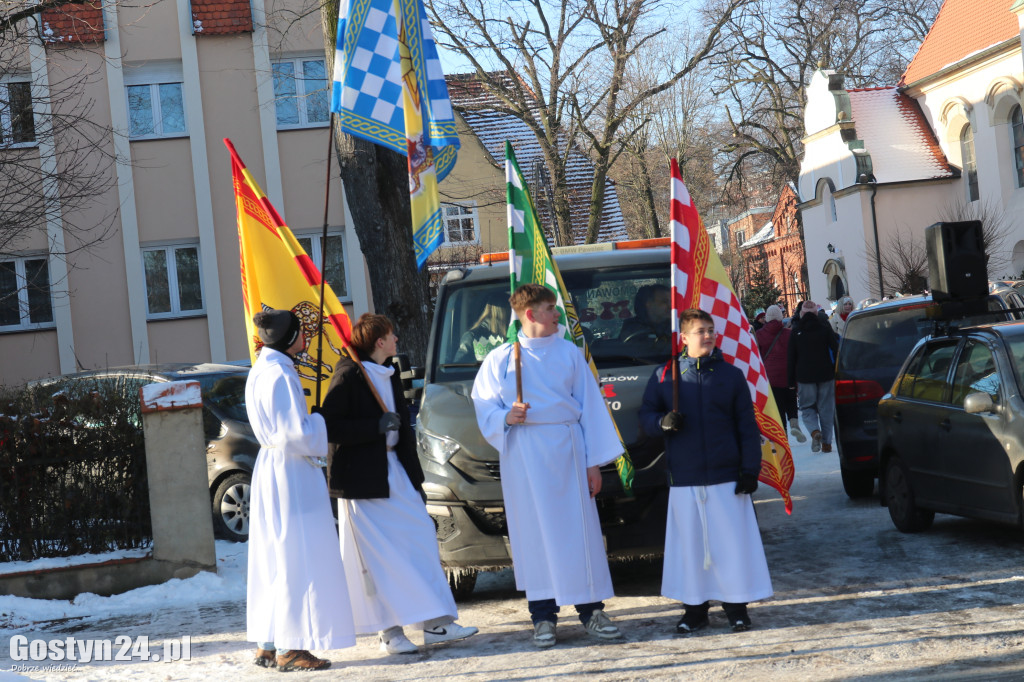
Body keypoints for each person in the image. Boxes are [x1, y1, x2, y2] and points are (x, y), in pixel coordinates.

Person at [471, 283, 624, 648]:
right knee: (534, 535)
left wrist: (593, 464)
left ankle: (591, 611)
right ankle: (542, 616)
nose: (557, 314)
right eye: (550, 308)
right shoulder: (502, 360)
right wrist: (507, 417)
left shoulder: (570, 354)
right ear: (530, 314)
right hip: (525, 456)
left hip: (567, 450)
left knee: (578, 532)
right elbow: (483, 405)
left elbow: (590, 408)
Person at [320, 314, 478, 655]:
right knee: (378, 557)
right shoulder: (349, 374)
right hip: (364, 481)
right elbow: (329, 426)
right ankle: (389, 632)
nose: (396, 340)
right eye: (392, 335)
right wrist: (374, 426)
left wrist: (415, 479)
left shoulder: (386, 373)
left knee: (420, 537)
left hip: (394, 472)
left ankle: (435, 622)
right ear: (379, 342)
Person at [639, 308, 773, 634]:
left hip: (726, 477)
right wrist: (662, 423)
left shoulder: (730, 376)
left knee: (730, 548)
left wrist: (749, 470)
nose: (709, 335)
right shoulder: (664, 377)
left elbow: (746, 426)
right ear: (683, 337)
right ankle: (694, 610)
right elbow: (645, 416)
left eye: (711, 330)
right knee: (691, 549)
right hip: (685, 477)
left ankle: (736, 608)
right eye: (701, 330)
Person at [245, 309, 355, 672]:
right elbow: (297, 433)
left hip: (273, 467)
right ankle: (290, 647)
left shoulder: (263, 367)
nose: (307, 338)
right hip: (289, 471)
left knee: (276, 556)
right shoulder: (279, 373)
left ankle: (269, 642)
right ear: (290, 338)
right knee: (295, 555)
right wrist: (321, 420)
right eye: (302, 332)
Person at [788, 300, 839, 453]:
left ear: (801, 313)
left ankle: (814, 431)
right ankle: (827, 443)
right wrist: (836, 370)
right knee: (826, 408)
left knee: (807, 407)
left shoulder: (796, 331)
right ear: (817, 314)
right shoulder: (824, 329)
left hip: (804, 377)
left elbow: (791, 358)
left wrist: (791, 381)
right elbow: (836, 350)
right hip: (825, 374)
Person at [755, 305, 805, 443]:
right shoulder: (789, 333)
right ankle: (794, 424)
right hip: (789, 374)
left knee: (778, 406)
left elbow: (757, 355)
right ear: (780, 317)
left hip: (770, 376)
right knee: (791, 399)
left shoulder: (759, 335)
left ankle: (783, 433)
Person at [455, 291, 509, 363]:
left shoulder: (513, 334)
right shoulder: (472, 337)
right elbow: (458, 368)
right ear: (504, 313)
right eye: (511, 311)